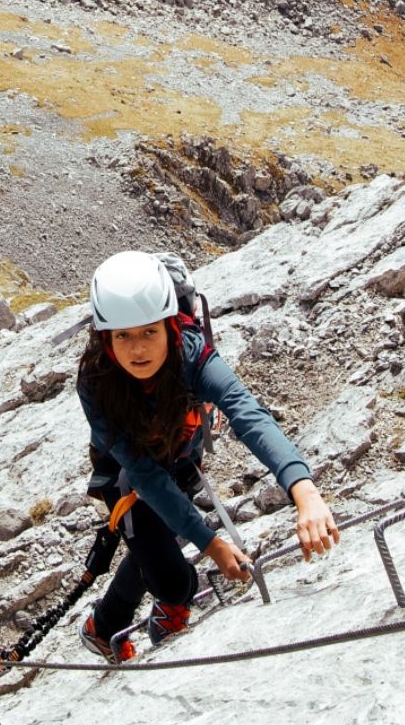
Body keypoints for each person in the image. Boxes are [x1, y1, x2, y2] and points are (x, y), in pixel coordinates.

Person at [77, 250, 340, 663]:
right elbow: (143, 473)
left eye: (149, 332)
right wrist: (210, 543)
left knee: (155, 545)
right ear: (105, 337)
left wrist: (304, 492)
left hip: (181, 457)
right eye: (122, 335)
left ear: (169, 326)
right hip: (129, 477)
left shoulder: (192, 354)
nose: (137, 349)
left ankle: (104, 625)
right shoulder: (95, 380)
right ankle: (144, 614)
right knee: (175, 581)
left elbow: (247, 413)